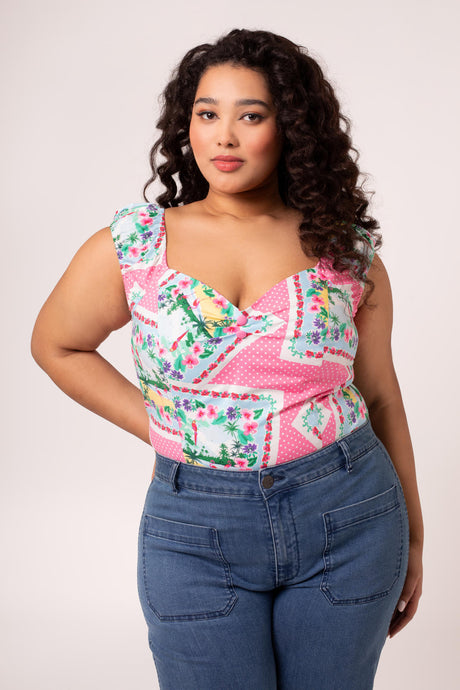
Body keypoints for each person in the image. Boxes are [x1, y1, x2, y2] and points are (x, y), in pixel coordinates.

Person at [31, 28, 423, 690]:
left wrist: (414, 536)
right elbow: (56, 345)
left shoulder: (347, 251)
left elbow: (380, 394)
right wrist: (163, 427)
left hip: (350, 517)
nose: (225, 137)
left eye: (251, 115)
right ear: (186, 126)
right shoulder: (135, 243)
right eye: (208, 114)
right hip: (194, 529)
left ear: (291, 127)